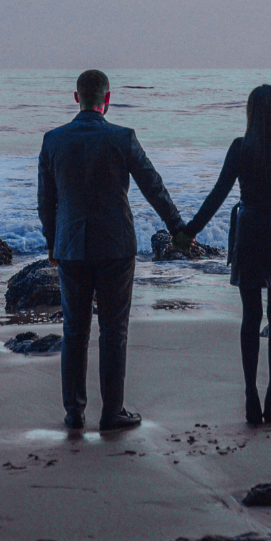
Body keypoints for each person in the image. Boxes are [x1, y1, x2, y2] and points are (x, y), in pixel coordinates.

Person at [37, 69, 187, 431]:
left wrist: (52, 241)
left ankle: (74, 412)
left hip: (71, 246)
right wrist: (178, 228)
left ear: (77, 98)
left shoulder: (53, 140)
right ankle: (112, 412)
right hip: (116, 246)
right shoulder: (123, 137)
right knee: (114, 330)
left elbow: (45, 201)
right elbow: (153, 186)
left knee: (74, 331)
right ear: (107, 98)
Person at [182, 84, 271, 426]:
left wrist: (190, 230)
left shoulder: (241, 148)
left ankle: (251, 395)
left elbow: (218, 194)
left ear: (251, 113)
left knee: (251, 316)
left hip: (251, 228)